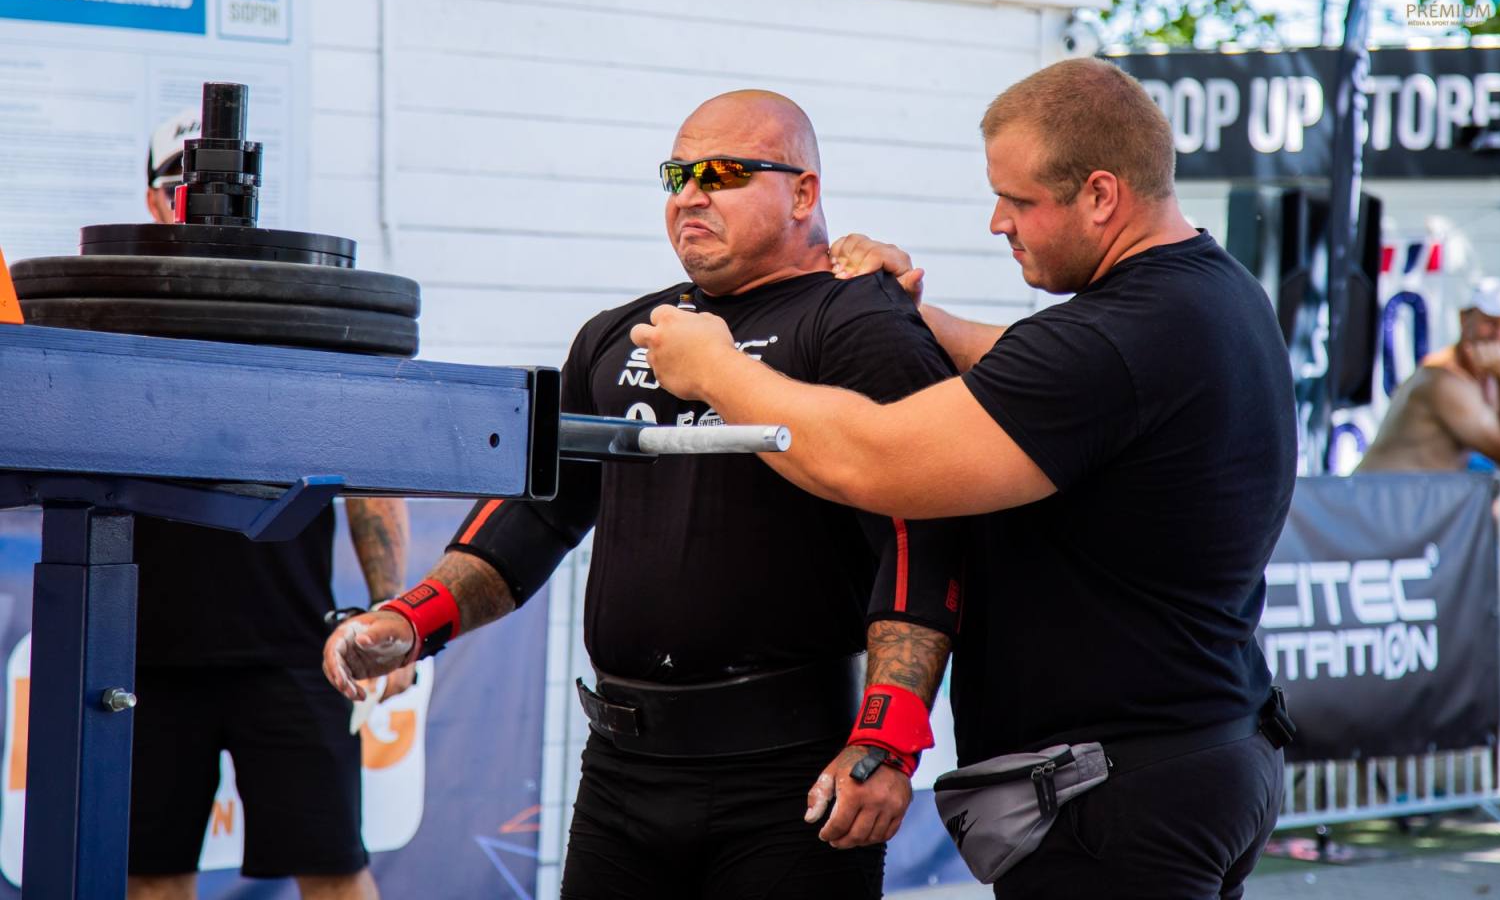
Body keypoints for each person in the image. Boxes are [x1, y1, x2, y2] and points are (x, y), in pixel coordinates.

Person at [631, 59, 1298, 898]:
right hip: (1206, 750)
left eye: (1018, 201)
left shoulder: (1118, 336)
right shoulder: (1208, 291)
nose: (997, 222)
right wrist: (912, 316)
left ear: (1100, 195)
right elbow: (1035, 367)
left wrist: (718, 370)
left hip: (1121, 797)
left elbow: (876, 461)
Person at [322, 90, 964, 899]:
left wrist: (887, 741)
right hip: (623, 770)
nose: (690, 195)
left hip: (790, 774)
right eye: (677, 174)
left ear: (803, 193)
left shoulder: (858, 323)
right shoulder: (622, 332)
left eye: (722, 173)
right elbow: (540, 510)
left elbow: (921, 537)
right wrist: (412, 620)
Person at [129, 112, 414, 900]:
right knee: (149, 879)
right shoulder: (116, 315)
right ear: (153, 200)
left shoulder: (295, 318)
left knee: (336, 876)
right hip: (147, 654)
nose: (198, 198)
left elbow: (368, 472)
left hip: (294, 649)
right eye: (178, 181)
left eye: (218, 183)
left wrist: (395, 615)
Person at [1355, 278, 1500, 472]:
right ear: (1464, 319)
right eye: (1490, 322)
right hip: (1382, 490)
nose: (1499, 335)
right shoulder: (1442, 380)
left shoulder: (1481, 380)